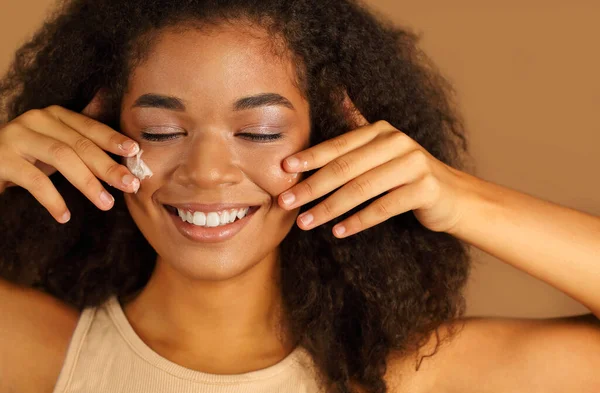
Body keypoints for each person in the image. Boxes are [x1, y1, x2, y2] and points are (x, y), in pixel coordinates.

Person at [0, 0, 599, 392]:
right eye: (162, 132)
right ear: (100, 132)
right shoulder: (40, 353)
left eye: (258, 132)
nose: (208, 172)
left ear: (334, 141)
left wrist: (454, 195)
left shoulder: (412, 377)